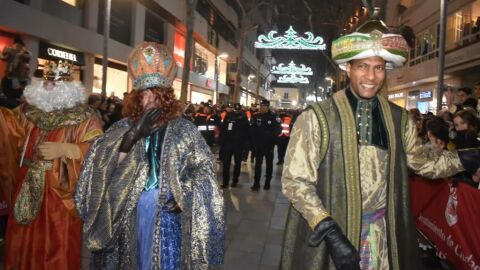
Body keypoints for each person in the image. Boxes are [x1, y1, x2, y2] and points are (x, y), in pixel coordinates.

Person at [280, 16, 480, 270]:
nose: (371, 76)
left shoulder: (398, 119)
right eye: (363, 66)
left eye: (378, 67)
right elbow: (295, 181)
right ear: (347, 68)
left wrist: (467, 157)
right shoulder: (317, 117)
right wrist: (327, 228)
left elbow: (425, 163)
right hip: (332, 234)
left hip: (382, 236)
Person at [74, 42, 225, 269]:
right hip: (127, 215)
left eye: (156, 94)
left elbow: (205, 170)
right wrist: (131, 137)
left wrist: (184, 193)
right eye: (144, 94)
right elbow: (96, 175)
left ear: (165, 98)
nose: (150, 100)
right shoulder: (121, 128)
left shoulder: (184, 130)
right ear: (136, 96)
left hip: (167, 218)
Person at [4, 60, 103, 270]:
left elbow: (99, 152)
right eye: (47, 83)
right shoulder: (27, 111)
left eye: (56, 85)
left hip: (60, 193)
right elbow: (7, 130)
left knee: (56, 246)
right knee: (23, 243)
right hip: (26, 189)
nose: (49, 88)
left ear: (68, 89)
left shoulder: (85, 117)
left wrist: (69, 150)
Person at [250, 99, 281, 190]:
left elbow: (278, 129)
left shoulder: (274, 117)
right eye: (261, 106)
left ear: (268, 107)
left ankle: (267, 182)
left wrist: (271, 138)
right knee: (258, 164)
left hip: (269, 145)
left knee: (269, 164)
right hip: (259, 145)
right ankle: (256, 183)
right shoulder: (256, 116)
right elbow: (252, 130)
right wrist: (253, 143)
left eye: (264, 106)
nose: (262, 108)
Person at [219, 103, 249, 188]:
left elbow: (247, 131)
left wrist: (245, 145)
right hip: (228, 143)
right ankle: (225, 182)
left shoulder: (243, 117)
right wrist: (222, 141)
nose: (236, 111)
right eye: (235, 110)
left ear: (240, 110)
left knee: (237, 163)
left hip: (238, 144)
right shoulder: (228, 116)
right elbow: (224, 128)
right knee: (226, 164)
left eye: (238, 110)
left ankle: (235, 180)